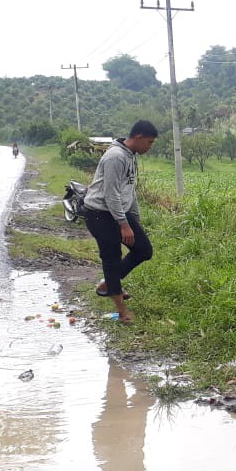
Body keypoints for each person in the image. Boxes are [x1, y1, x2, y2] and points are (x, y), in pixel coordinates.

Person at [83, 120, 158, 324]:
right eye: (149, 143)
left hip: (117, 212)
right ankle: (122, 311)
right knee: (112, 258)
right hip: (100, 214)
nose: (150, 147)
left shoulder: (130, 155)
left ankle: (108, 284)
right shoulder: (116, 157)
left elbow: (129, 191)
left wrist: (135, 221)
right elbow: (111, 194)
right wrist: (124, 224)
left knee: (144, 250)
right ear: (139, 137)